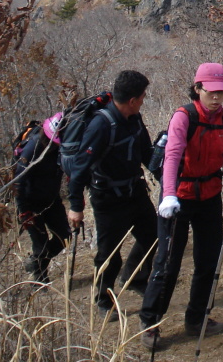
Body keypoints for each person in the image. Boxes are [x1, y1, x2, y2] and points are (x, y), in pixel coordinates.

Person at [138, 63, 223, 349]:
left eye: (221, 93)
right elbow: (173, 155)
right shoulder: (184, 116)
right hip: (178, 197)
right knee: (168, 261)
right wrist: (168, 194)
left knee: (207, 260)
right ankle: (150, 322)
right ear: (197, 88)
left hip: (209, 196)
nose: (216, 98)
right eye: (211, 92)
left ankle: (197, 318)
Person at [67, 70, 158, 319]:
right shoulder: (101, 125)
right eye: (142, 96)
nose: (143, 100)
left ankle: (135, 276)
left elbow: (145, 153)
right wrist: (75, 205)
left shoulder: (135, 119)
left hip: (135, 191)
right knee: (109, 253)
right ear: (132, 100)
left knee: (154, 235)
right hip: (107, 198)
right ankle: (103, 300)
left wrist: (167, 180)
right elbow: (79, 167)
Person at [14, 112, 71, 284]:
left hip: (51, 199)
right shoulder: (33, 148)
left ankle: (35, 263)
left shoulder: (61, 147)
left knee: (64, 237)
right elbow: (18, 182)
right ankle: (40, 280)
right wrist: (24, 211)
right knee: (41, 243)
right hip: (31, 203)